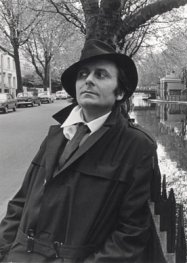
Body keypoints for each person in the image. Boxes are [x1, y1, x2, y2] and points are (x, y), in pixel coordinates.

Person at [0, 39, 166, 262]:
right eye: (83, 74)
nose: (88, 80)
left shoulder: (136, 146)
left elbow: (130, 234)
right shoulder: (57, 134)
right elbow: (20, 203)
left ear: (119, 93)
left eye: (101, 75)